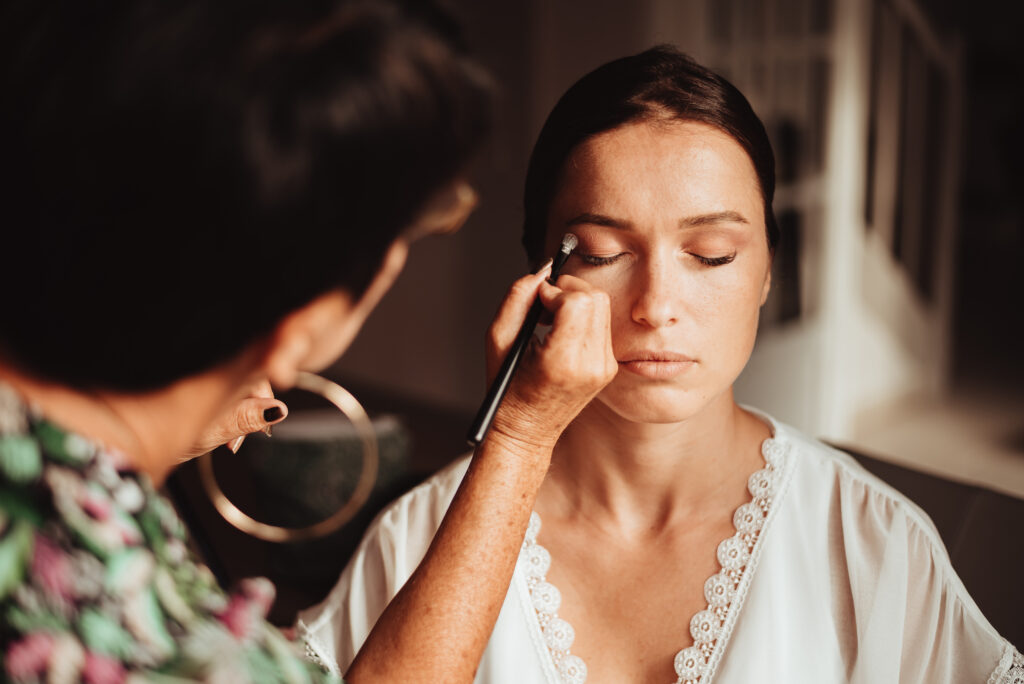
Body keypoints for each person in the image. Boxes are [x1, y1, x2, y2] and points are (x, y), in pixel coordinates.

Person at [298, 46, 1024, 683]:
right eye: (606, 255)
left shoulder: (873, 544)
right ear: (539, 275)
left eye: (711, 256)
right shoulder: (419, 537)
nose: (655, 306)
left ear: (769, 270)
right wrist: (513, 440)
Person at [0, 1, 617, 682]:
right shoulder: (140, 646)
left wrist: (158, 426)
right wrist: (522, 436)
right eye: (408, 235)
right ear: (301, 327)